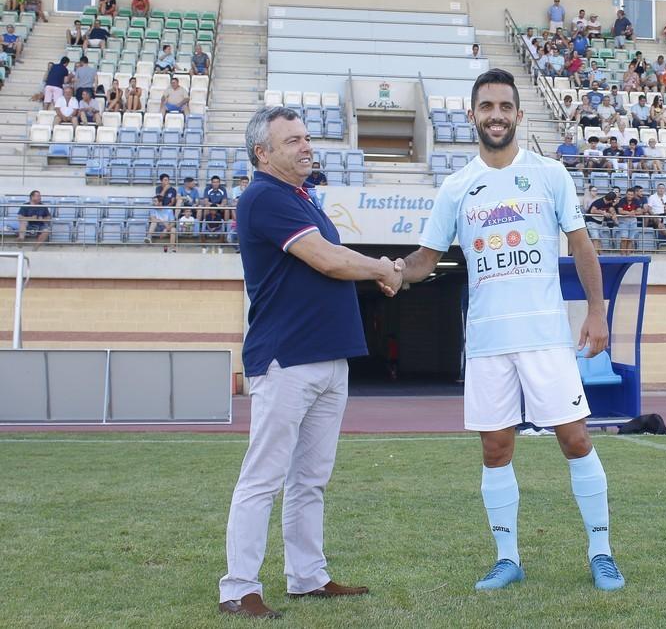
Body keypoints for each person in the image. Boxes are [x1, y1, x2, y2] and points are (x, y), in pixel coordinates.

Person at [393, 68, 624, 593]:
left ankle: (601, 552)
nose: (495, 115)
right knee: (495, 448)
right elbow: (426, 259)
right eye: (486, 107)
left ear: (519, 115)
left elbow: (581, 245)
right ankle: (507, 559)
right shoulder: (456, 187)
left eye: (504, 106)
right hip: (489, 343)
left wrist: (596, 311)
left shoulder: (549, 175)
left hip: (544, 337)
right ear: (472, 115)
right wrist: (390, 272)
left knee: (576, 438)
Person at [219, 106, 402, 619]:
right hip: (286, 359)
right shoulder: (263, 196)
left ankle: (307, 577)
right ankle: (238, 588)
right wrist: (385, 268)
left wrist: (377, 269)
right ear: (264, 153)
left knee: (310, 478)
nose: (306, 146)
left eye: (306, 137)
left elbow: (331, 258)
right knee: (264, 478)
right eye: (292, 140)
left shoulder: (301, 198)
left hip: (326, 357)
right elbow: (327, 259)